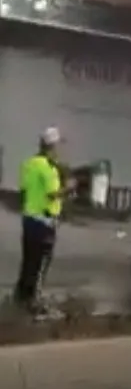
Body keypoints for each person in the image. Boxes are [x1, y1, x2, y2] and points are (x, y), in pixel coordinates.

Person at [14, 127, 66, 314]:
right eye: (58, 146)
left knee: (28, 261)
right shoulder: (48, 168)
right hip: (44, 222)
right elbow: (52, 194)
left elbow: (23, 190)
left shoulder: (29, 163)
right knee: (40, 264)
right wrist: (70, 188)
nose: (59, 150)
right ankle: (34, 301)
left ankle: (21, 297)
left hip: (29, 218)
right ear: (51, 146)